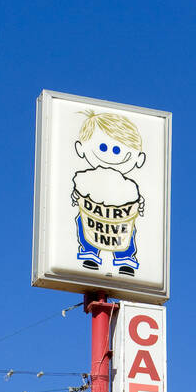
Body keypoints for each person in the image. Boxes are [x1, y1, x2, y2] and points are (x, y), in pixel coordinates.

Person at [71, 109, 146, 274]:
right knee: (83, 222)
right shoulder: (86, 176)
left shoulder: (129, 185)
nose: (110, 154)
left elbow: (135, 200)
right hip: (93, 214)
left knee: (128, 231)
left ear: (139, 159)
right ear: (81, 148)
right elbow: (79, 188)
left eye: (118, 150)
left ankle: (125, 260)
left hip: (119, 218)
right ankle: (89, 253)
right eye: (103, 147)